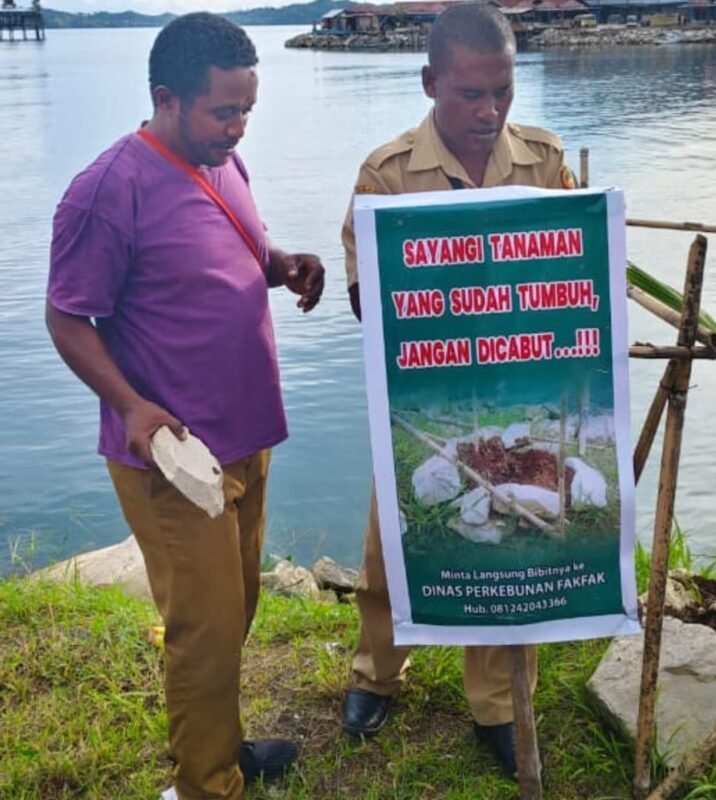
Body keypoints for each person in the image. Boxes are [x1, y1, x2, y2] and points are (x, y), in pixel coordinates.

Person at [46, 13, 324, 800]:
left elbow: (223, 247)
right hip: (173, 456)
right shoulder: (107, 191)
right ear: (166, 99)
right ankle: (208, 786)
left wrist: (279, 264)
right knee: (202, 636)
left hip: (245, 436)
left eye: (247, 111)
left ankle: (223, 748)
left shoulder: (221, 161)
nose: (238, 129)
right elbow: (66, 317)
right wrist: (131, 406)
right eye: (223, 113)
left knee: (233, 611)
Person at [340, 2, 575, 780]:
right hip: (425, 391)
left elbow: (570, 275)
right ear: (430, 82)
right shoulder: (386, 172)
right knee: (390, 545)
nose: (489, 111)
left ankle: (499, 707)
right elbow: (363, 294)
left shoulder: (544, 161)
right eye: (470, 94)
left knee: (507, 545)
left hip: (514, 386)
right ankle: (379, 674)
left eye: (502, 92)